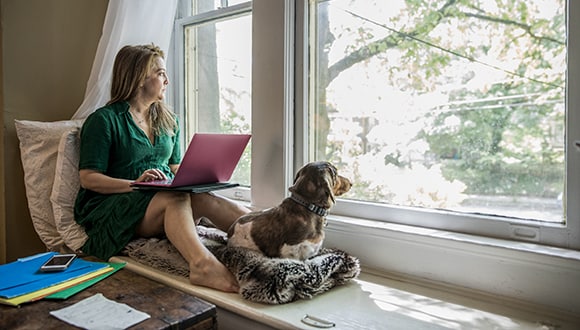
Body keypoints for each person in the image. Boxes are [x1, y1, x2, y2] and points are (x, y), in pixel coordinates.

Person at [74, 44, 249, 292]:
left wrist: (200, 178)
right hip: (115, 204)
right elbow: (88, 179)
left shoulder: (169, 120)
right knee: (174, 197)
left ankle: (271, 235)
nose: (166, 80)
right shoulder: (103, 121)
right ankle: (201, 265)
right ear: (138, 78)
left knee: (206, 199)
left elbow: (175, 167)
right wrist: (136, 184)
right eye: (160, 73)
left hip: (160, 196)